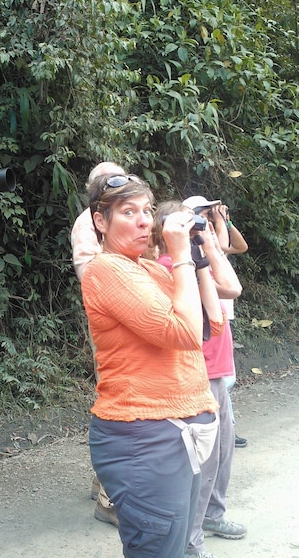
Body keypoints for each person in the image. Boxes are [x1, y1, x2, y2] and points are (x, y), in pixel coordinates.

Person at [81, 173, 223, 557]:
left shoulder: (155, 271)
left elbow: (213, 318)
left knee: (180, 547)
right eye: (129, 212)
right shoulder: (105, 270)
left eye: (147, 210)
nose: (145, 220)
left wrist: (198, 251)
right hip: (144, 440)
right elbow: (185, 334)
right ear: (100, 221)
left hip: (178, 434)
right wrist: (178, 256)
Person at [153, 201, 247, 557]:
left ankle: (212, 516)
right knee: (202, 465)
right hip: (198, 374)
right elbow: (233, 288)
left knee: (222, 453)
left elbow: (230, 286)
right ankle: (191, 542)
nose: (199, 226)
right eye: (191, 223)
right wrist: (201, 247)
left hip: (217, 371)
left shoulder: (193, 264)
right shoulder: (169, 268)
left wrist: (206, 241)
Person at [70, 161, 126, 528]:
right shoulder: (87, 223)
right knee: (118, 401)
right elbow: (89, 273)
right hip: (111, 323)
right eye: (106, 183)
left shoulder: (125, 216)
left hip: (133, 316)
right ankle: (109, 498)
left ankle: (102, 481)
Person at [184, 196, 249, 449]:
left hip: (222, 313)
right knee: (218, 379)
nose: (207, 218)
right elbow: (221, 247)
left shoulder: (210, 237)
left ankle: (226, 427)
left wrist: (227, 223)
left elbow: (240, 246)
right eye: (202, 213)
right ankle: (222, 429)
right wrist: (218, 223)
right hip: (208, 319)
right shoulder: (196, 248)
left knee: (223, 379)